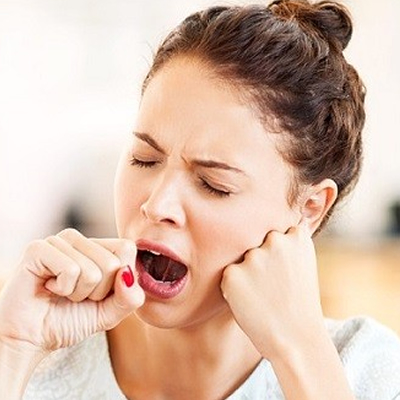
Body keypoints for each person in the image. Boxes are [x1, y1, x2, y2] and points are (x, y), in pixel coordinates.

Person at [1, 0, 400, 399]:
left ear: (309, 209)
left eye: (214, 184)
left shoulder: (369, 371)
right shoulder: (37, 348)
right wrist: (13, 348)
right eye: (145, 159)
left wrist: (300, 356)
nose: (157, 205)